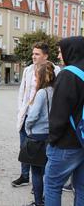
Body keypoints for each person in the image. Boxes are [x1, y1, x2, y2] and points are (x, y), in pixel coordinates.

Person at [12, 42, 60, 187]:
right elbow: (22, 91)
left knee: (42, 152)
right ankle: (25, 176)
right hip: (28, 115)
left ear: (45, 56)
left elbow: (57, 94)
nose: (33, 56)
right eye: (33, 53)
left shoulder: (55, 70)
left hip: (44, 118)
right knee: (25, 147)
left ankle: (41, 183)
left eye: (37, 54)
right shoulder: (27, 70)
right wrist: (21, 110)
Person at [44, 36, 84, 206]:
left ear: (71, 50)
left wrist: (52, 140)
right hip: (82, 140)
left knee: (53, 185)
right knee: (82, 188)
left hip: (66, 143)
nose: (60, 55)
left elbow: (58, 115)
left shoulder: (68, 75)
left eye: (61, 51)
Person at [23, 62, 56, 206]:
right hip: (51, 135)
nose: (35, 79)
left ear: (41, 76)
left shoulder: (42, 92)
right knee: (47, 170)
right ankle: (47, 198)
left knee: (36, 172)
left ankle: (38, 202)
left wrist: (27, 128)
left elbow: (33, 115)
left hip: (38, 135)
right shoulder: (55, 90)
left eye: (36, 76)